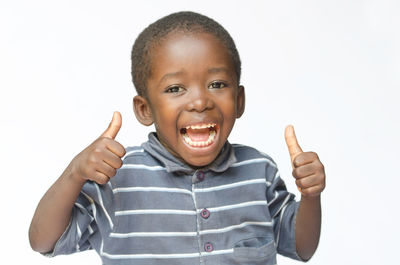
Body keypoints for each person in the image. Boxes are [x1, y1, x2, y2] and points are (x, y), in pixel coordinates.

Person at [29, 11, 326, 265]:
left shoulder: (258, 171)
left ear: (239, 101)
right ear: (145, 109)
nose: (199, 102)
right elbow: (44, 241)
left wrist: (311, 196)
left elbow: (302, 247)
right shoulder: (117, 178)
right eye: (175, 89)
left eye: (217, 84)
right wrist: (74, 173)